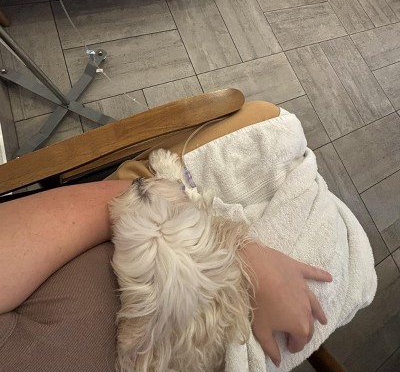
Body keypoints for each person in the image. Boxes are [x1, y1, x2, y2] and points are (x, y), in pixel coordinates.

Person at [0, 101, 334, 371]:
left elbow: (125, 195)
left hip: (130, 222)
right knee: (281, 133)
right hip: (224, 309)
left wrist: (244, 259)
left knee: (279, 132)